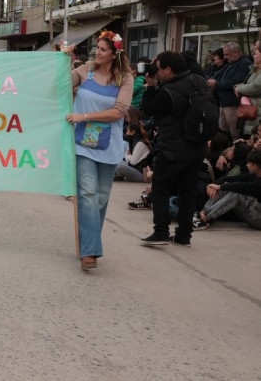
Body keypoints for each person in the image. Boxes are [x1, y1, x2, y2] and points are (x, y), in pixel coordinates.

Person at [65, 30, 133, 270]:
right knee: (88, 194)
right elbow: (60, 81)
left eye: (103, 49)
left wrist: (83, 116)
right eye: (97, 48)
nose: (98, 53)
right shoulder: (85, 71)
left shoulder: (125, 78)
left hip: (109, 146)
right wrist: (63, 60)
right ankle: (90, 251)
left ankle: (89, 242)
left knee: (101, 198)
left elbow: (119, 112)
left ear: (115, 54)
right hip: (82, 144)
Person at [141, 51, 209, 247]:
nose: (158, 72)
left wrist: (151, 86)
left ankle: (161, 232)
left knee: (160, 188)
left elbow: (149, 108)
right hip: (197, 147)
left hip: (172, 148)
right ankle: (183, 236)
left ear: (168, 69)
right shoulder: (199, 81)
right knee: (187, 191)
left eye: (160, 68)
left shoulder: (168, 91)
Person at [194, 148, 261, 230]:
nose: (246, 165)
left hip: (259, 218)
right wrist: (215, 185)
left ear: (255, 166)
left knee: (237, 193)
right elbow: (231, 179)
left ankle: (205, 217)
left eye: (248, 163)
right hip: (255, 211)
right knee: (227, 186)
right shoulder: (254, 175)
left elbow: (242, 186)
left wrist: (220, 187)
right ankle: (202, 214)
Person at [208, 42, 251, 139]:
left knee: (234, 134)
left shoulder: (244, 63)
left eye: (227, 54)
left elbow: (237, 82)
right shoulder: (232, 63)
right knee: (223, 134)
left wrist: (217, 84)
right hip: (224, 104)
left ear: (235, 52)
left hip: (233, 105)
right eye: (224, 54)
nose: (225, 57)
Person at [234, 44, 261, 135]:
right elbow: (246, 84)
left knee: (253, 138)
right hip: (249, 109)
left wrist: (239, 89)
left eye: (256, 54)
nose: (253, 56)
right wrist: (236, 87)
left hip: (257, 111)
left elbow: (255, 87)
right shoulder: (255, 69)